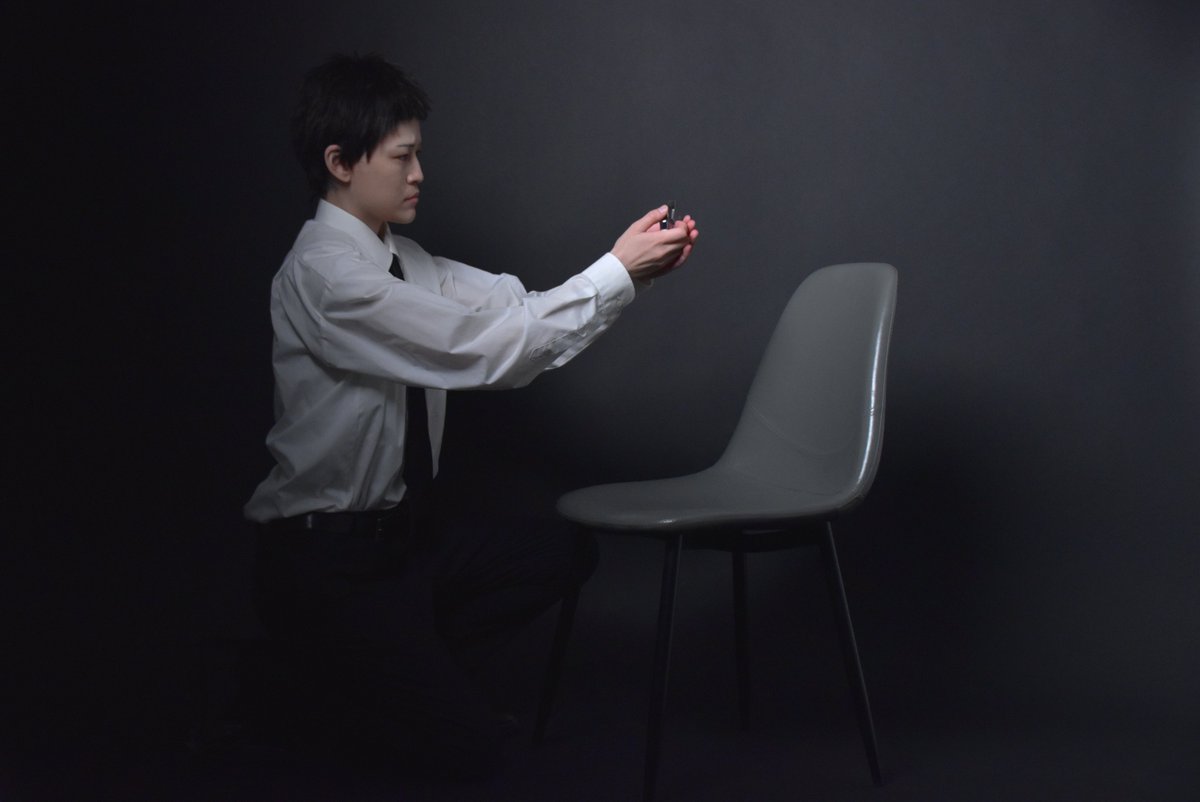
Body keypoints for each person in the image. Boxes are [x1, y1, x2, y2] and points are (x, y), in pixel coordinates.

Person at [239, 53, 698, 779]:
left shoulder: (410, 262)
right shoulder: (327, 277)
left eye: (418, 153)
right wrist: (616, 273)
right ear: (340, 162)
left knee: (563, 554)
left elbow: (520, 313)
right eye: (402, 157)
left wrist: (628, 271)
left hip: (404, 551)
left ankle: (388, 685)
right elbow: (489, 350)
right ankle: (347, 688)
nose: (419, 173)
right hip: (327, 567)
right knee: (473, 757)